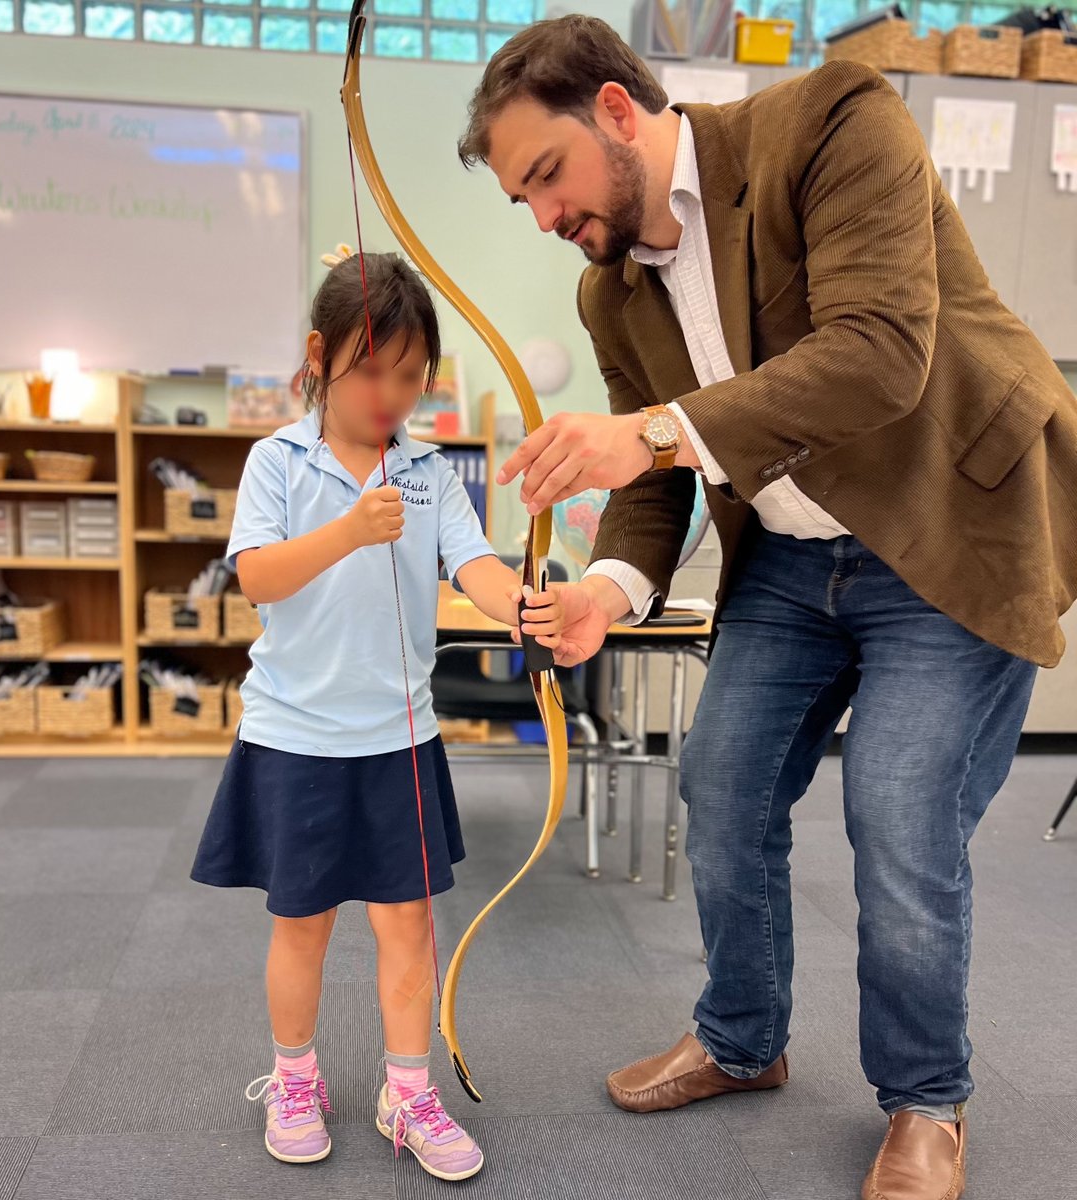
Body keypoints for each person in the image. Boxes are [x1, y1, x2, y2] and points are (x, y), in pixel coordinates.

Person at [457, 16, 1077, 1200]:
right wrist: (604, 590)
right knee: (723, 789)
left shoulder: (836, 122)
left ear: (617, 111)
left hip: (949, 522)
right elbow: (655, 485)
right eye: (522, 199)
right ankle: (743, 1041)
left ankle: (926, 1101)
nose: (543, 215)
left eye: (546, 174)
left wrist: (640, 432)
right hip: (793, 563)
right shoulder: (609, 296)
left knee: (899, 811)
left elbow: (880, 350)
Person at [191, 249, 564, 1183]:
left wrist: (519, 602)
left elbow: (471, 562)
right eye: (370, 370)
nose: (390, 394)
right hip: (295, 737)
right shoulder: (276, 460)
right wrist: (351, 527)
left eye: (410, 375)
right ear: (321, 355)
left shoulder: (432, 471)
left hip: (399, 737)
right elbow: (257, 576)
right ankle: (294, 1079)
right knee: (302, 923)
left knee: (409, 927)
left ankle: (408, 1090)